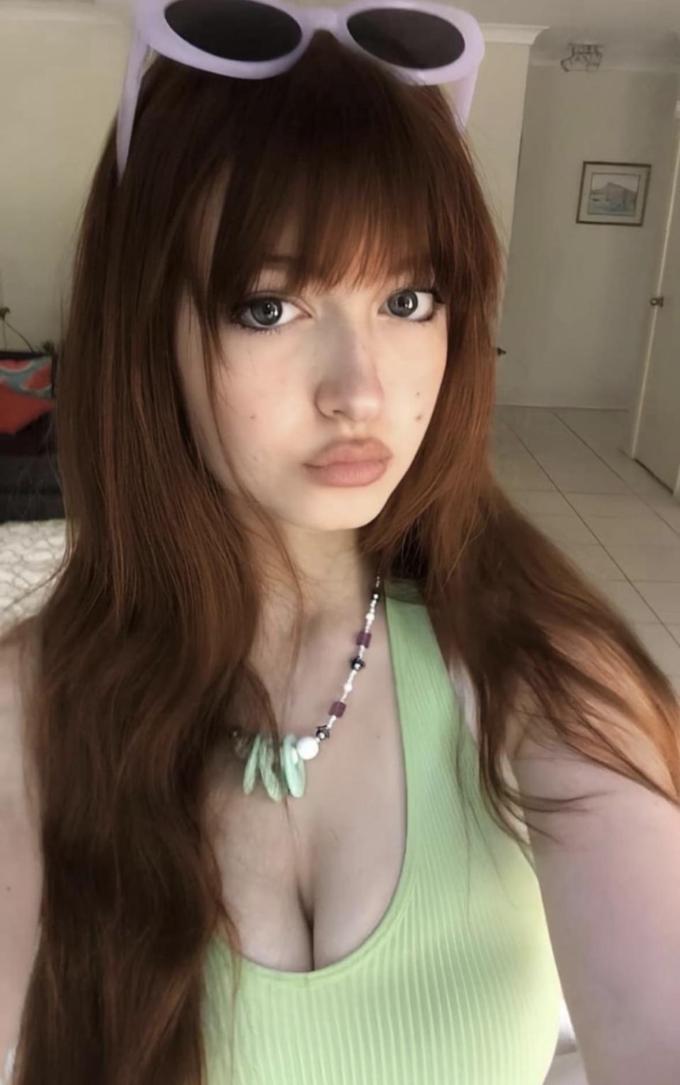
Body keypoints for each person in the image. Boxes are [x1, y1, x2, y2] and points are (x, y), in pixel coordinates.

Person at [1, 4, 679, 1085]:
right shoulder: (31, 708)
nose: (362, 391)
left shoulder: (541, 669)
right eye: (268, 307)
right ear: (149, 329)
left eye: (408, 298)